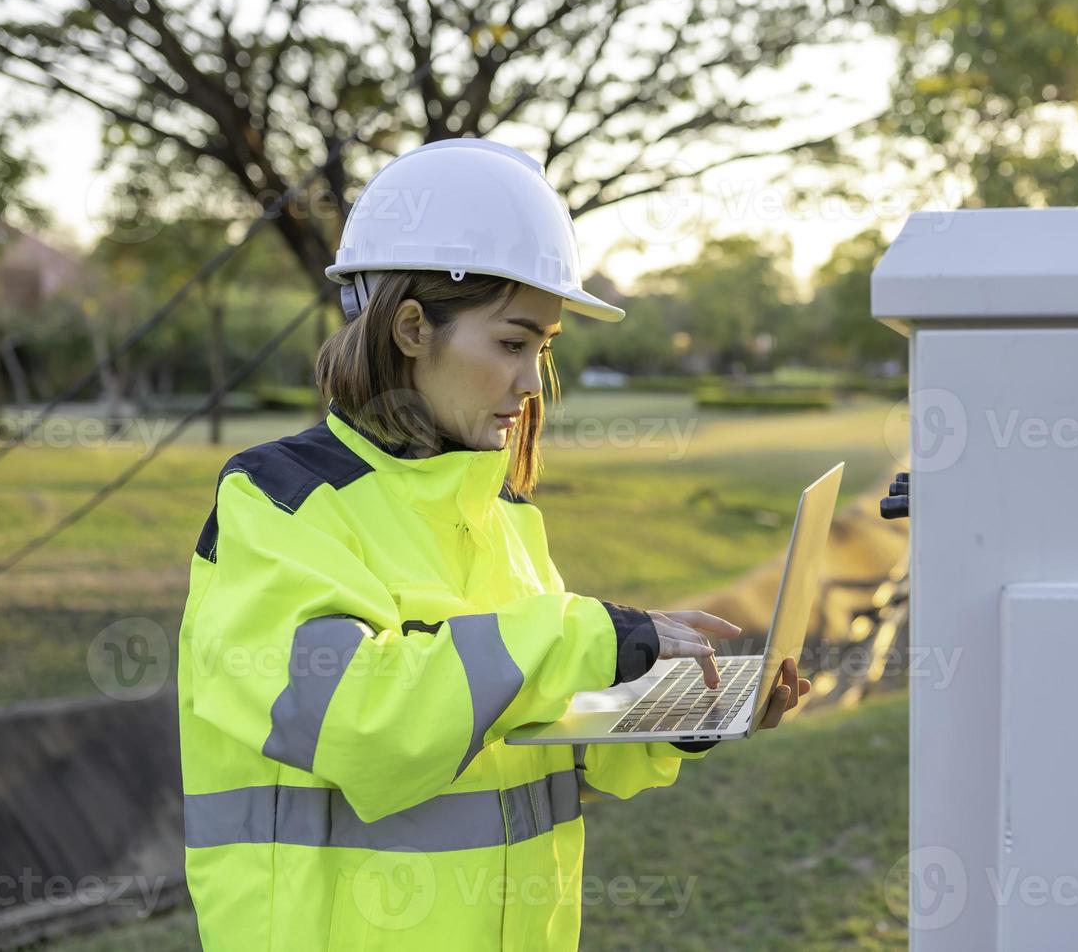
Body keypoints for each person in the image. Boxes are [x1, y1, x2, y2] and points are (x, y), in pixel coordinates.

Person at [175, 138, 812, 951]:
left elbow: (529, 730)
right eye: (512, 344)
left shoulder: (502, 515)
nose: (531, 384)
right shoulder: (279, 503)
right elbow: (358, 722)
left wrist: (677, 716)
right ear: (411, 327)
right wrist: (585, 635)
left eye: (543, 349)